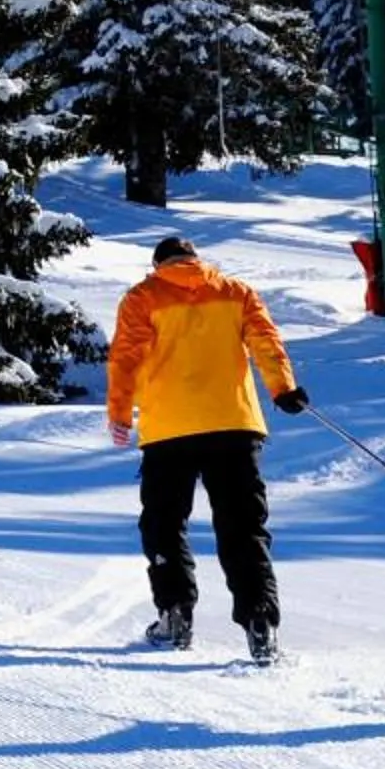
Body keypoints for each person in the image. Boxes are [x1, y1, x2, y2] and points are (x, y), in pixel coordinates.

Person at [105, 233, 308, 662]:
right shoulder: (235, 292)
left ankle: (174, 613)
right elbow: (266, 341)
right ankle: (260, 623)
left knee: (164, 523)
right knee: (243, 526)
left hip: (169, 429)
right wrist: (283, 388)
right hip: (234, 424)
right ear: (196, 259)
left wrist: (120, 413)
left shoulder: (143, 297)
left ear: (158, 265)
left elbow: (125, 358)